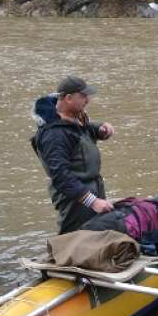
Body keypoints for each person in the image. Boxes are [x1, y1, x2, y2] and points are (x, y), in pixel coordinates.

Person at [32, 75, 115, 234]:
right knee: (72, 240)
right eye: (83, 96)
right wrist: (92, 201)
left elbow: (82, 131)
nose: (88, 100)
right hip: (75, 199)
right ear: (68, 98)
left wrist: (100, 129)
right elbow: (60, 176)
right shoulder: (53, 134)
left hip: (91, 191)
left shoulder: (75, 117)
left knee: (94, 238)